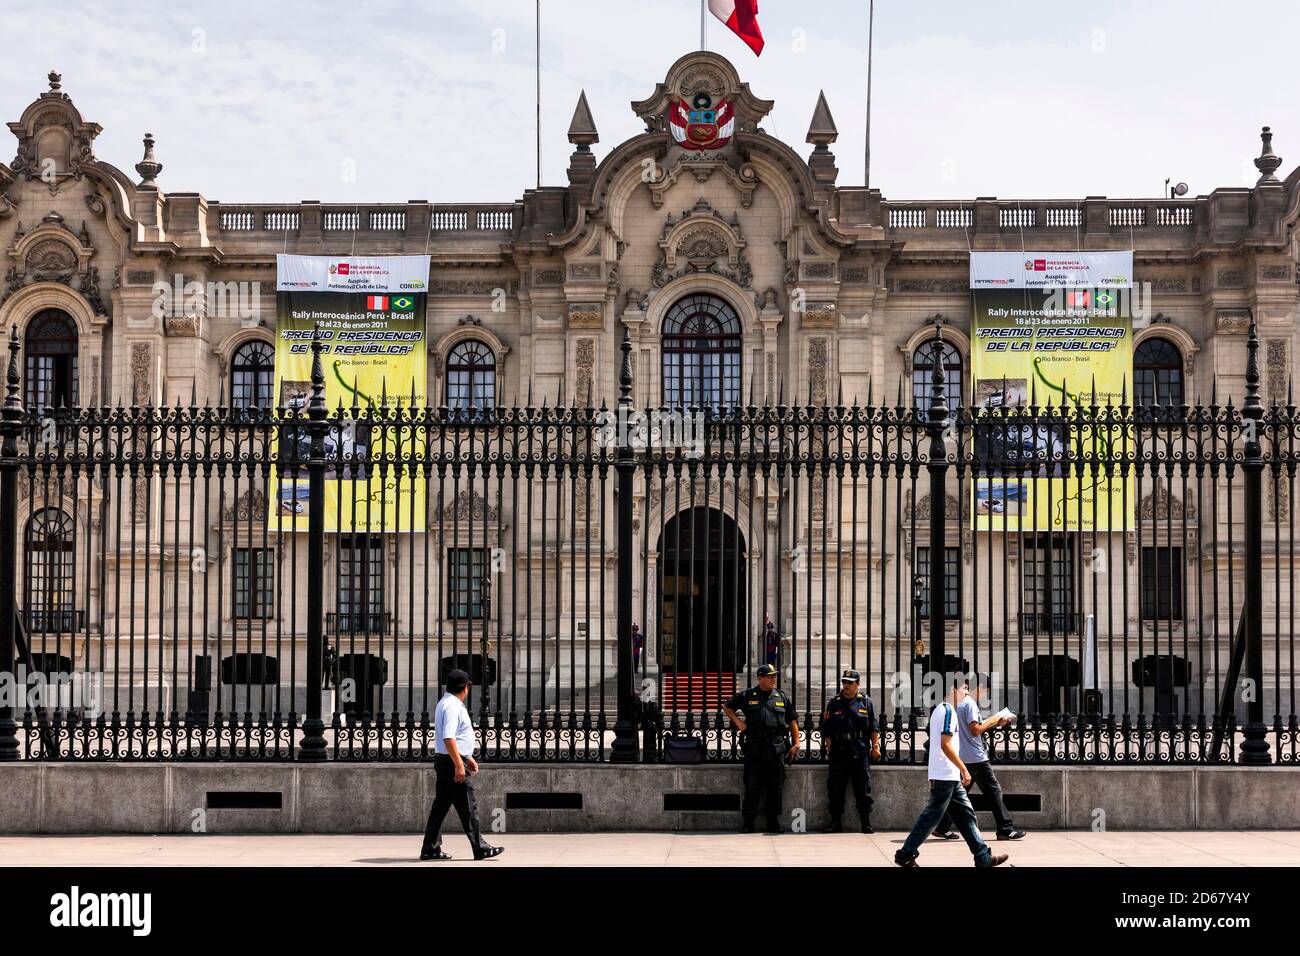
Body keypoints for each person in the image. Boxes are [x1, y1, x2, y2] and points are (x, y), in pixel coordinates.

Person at [895, 682, 1008, 868]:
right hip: (945, 775)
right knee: (931, 817)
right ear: (951, 689)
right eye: (963, 688)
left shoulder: (940, 710)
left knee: (966, 816)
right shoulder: (948, 711)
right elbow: (945, 744)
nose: (966, 692)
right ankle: (905, 854)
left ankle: (982, 857)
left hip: (948, 775)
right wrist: (963, 768)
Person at [419, 669, 504, 861]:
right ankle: (480, 847)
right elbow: (449, 737)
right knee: (468, 806)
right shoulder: (453, 706)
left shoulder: (446, 703)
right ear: (466, 688)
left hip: (447, 760)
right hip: (451, 763)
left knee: (440, 809)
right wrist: (459, 764)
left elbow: (452, 738)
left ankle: (430, 848)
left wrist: (466, 757)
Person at [935, 675, 1026, 841]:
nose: (985, 695)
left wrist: (993, 723)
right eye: (986, 691)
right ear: (981, 687)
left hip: (962, 755)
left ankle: (941, 826)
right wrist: (993, 721)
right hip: (975, 756)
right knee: (994, 791)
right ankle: (1005, 828)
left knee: (958, 794)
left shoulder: (957, 703)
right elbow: (975, 729)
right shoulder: (970, 703)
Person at [723, 663, 800, 834]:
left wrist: (796, 743)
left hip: (775, 748)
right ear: (760, 678)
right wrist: (738, 722)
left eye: (774, 676)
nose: (773, 679)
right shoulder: (748, 695)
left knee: (775, 787)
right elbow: (727, 706)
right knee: (752, 786)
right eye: (770, 676)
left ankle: (773, 822)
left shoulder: (781, 696)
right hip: (755, 748)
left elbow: (792, 720)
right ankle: (748, 822)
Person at [820, 669, 880, 833]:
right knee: (835, 789)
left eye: (849, 682)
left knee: (863, 789)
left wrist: (875, 746)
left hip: (859, 751)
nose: (846, 685)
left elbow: (873, 726)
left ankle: (866, 821)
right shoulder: (834, 703)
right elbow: (826, 727)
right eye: (844, 682)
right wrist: (829, 745)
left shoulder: (865, 702)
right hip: (839, 751)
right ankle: (835, 822)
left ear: (858, 684)